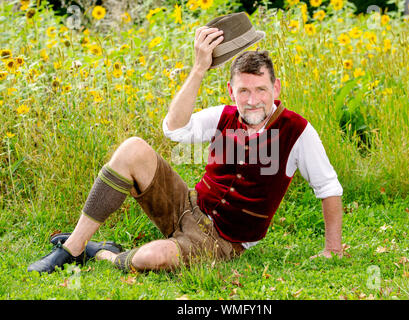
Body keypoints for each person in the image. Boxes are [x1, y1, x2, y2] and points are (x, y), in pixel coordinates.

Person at [28, 22, 343, 275]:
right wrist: (198, 69)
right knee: (133, 148)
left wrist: (332, 249)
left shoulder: (298, 131)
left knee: (154, 255)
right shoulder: (223, 115)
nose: (251, 100)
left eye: (261, 89)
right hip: (187, 206)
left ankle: (105, 254)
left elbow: (328, 186)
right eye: (243, 90)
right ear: (231, 90)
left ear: (275, 88)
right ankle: (73, 248)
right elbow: (174, 129)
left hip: (222, 240)